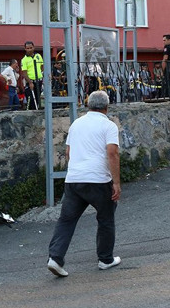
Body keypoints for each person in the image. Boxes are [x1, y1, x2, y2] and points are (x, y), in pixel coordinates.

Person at [47, 91, 121, 277]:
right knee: (105, 218)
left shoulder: (76, 124)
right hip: (98, 180)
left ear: (88, 105)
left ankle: (55, 258)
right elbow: (112, 153)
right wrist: (116, 182)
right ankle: (105, 259)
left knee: (67, 220)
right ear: (107, 106)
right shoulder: (109, 126)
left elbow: (68, 153)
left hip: (74, 179)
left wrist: (77, 170)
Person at [21, 41, 44, 110]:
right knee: (30, 100)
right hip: (30, 81)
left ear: (33, 47)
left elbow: (42, 67)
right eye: (27, 48)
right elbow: (24, 73)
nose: (29, 50)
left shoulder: (38, 56)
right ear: (25, 49)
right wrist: (30, 82)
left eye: (31, 48)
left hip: (39, 81)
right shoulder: (24, 60)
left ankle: (37, 112)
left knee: (37, 98)